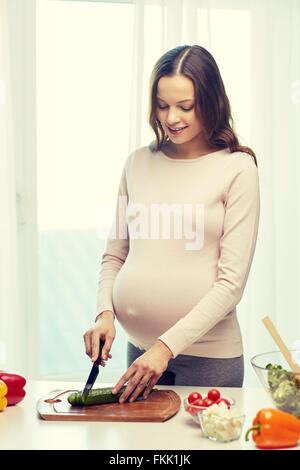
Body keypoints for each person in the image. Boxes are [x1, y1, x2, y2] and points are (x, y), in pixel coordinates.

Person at [83, 45, 260, 404]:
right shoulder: (136, 163)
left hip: (208, 360)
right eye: (162, 105)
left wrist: (166, 348)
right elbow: (115, 255)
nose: (172, 117)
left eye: (185, 106)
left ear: (211, 102)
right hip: (142, 356)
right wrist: (105, 313)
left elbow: (230, 285)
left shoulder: (237, 168)